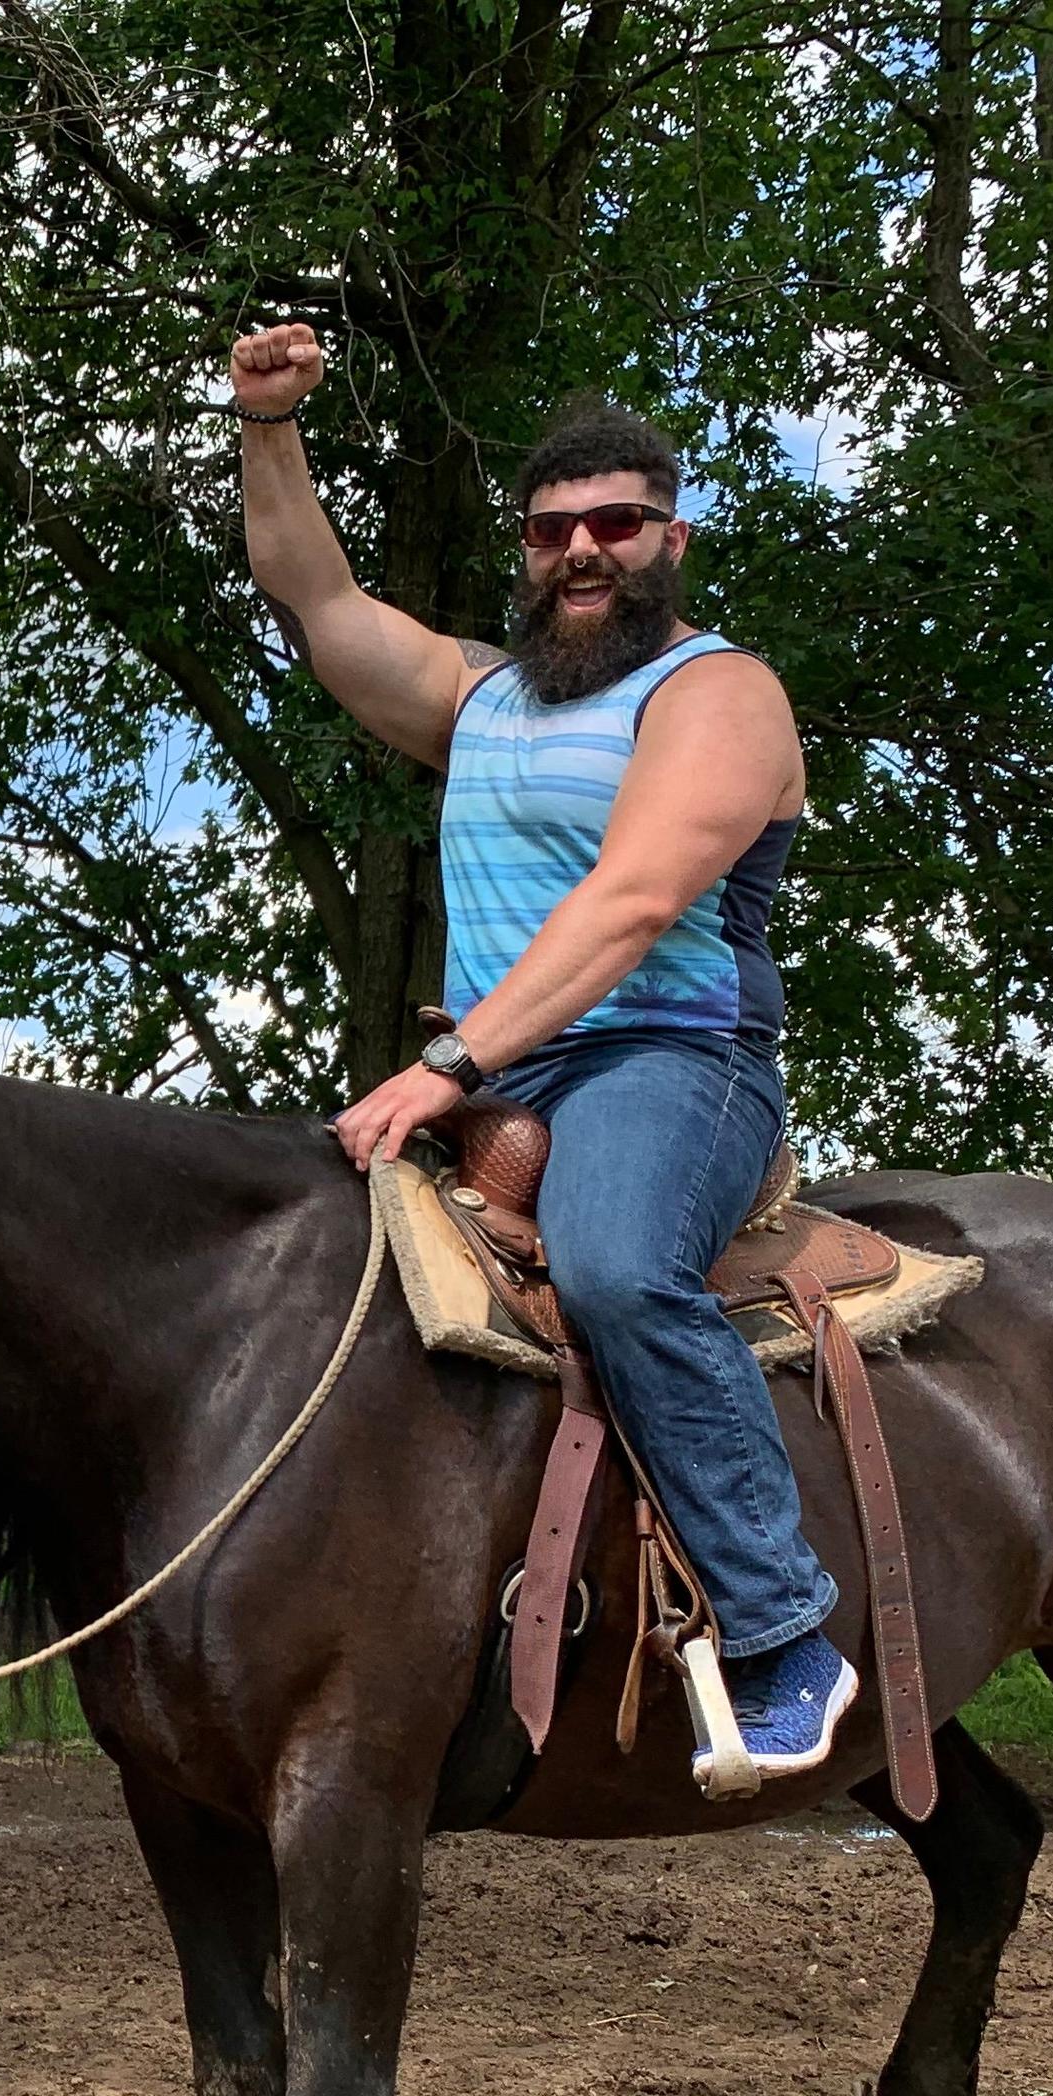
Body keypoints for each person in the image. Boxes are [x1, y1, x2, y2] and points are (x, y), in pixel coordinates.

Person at [231, 322, 854, 1783]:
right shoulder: (482, 697)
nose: (584, 550)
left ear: (670, 535)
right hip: (506, 1072)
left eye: (616, 525)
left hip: (669, 1063)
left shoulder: (717, 693)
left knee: (618, 1266)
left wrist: (450, 1065)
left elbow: (635, 900)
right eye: (553, 530)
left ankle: (781, 1629)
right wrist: (265, 426)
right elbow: (313, 594)